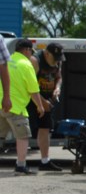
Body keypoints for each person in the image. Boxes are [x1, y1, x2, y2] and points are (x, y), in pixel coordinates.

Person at [1, 39, 47, 175]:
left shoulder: (7, 61)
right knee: (23, 136)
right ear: (27, 50)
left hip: (0, 105)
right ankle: (21, 166)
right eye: (31, 51)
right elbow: (33, 90)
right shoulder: (26, 65)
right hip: (16, 107)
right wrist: (40, 106)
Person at [28, 41, 64, 171]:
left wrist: (57, 88)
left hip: (48, 98)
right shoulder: (35, 61)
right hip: (32, 99)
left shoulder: (58, 61)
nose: (56, 62)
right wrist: (41, 102)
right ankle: (21, 162)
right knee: (25, 130)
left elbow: (59, 77)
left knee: (45, 128)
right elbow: (30, 86)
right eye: (54, 58)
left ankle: (45, 161)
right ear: (46, 53)